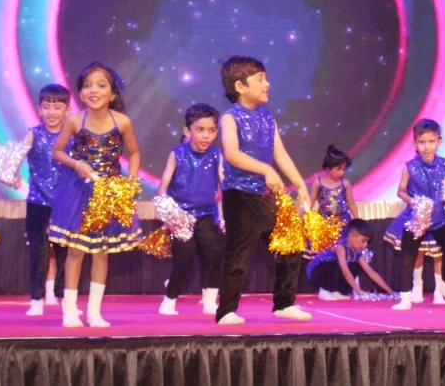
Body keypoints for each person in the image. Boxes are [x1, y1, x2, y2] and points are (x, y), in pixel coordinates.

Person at [215, 56, 312, 325]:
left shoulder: (267, 117)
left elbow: (280, 154)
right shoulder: (230, 118)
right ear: (240, 86)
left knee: (291, 244)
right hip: (240, 195)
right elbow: (232, 154)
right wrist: (265, 170)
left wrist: (300, 184)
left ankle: (284, 303)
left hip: (266, 196)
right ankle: (226, 311)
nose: (267, 84)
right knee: (239, 254)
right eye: (260, 79)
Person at [48, 62, 144, 328]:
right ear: (80, 93)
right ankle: (69, 311)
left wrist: (130, 184)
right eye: (88, 85)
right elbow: (57, 152)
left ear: (112, 94)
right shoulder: (74, 121)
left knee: (101, 252)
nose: (94, 90)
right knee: (76, 250)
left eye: (101, 85)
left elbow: (135, 152)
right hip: (79, 192)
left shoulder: (122, 122)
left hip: (108, 194)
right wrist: (77, 164)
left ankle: (94, 312)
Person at [157, 103, 223, 316]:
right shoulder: (177, 154)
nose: (206, 136)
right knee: (185, 257)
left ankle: (210, 301)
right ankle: (169, 299)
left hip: (206, 214)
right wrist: (169, 214)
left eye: (211, 130)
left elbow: (224, 182)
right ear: (187, 131)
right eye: (200, 130)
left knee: (215, 252)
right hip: (181, 215)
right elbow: (163, 186)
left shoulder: (217, 155)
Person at [390, 118, 445, 311]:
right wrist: (414, 202)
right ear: (414, 144)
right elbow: (401, 191)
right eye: (422, 142)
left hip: (440, 219)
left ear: (439, 142)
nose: (427, 147)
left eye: (431, 142)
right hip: (417, 219)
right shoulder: (410, 166)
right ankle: (406, 297)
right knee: (408, 257)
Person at [13, 84, 71, 317]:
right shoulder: (33, 134)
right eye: (47, 107)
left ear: (67, 110)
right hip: (37, 201)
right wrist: (13, 173)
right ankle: (36, 299)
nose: (52, 112)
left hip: (66, 202)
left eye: (57, 107)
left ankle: (65, 298)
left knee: (66, 252)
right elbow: (17, 156)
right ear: (39, 109)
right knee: (38, 253)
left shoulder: (71, 135)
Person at [308, 219, 393, 299]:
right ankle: (324, 290)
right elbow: (345, 270)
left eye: (367, 242)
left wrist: (390, 291)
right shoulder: (340, 247)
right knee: (333, 265)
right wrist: (359, 291)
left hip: (331, 274)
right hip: (316, 273)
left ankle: (337, 291)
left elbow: (371, 272)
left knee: (356, 266)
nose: (366, 245)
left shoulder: (356, 253)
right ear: (352, 237)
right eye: (363, 241)